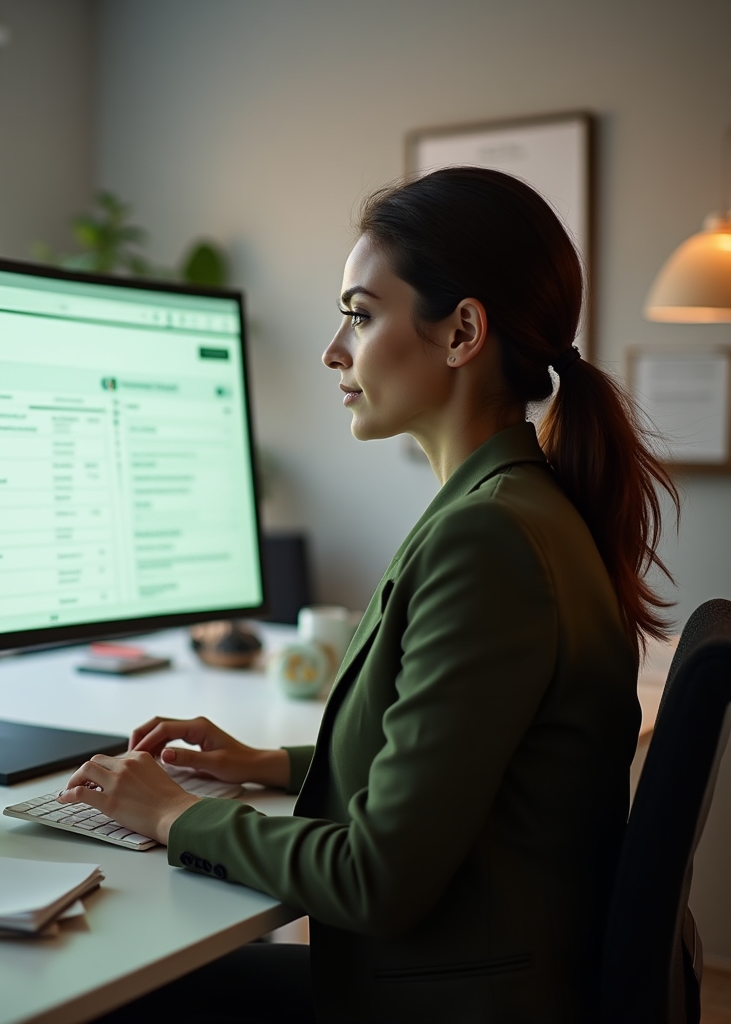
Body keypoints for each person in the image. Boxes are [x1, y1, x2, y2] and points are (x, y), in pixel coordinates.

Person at [62, 167, 679, 1023]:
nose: (332, 349)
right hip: (489, 979)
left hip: (447, 1001)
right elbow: (460, 774)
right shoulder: (512, 508)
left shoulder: (488, 538)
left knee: (109, 995)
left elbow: (377, 877)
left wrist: (173, 815)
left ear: (462, 330)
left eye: (359, 313)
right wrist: (265, 765)